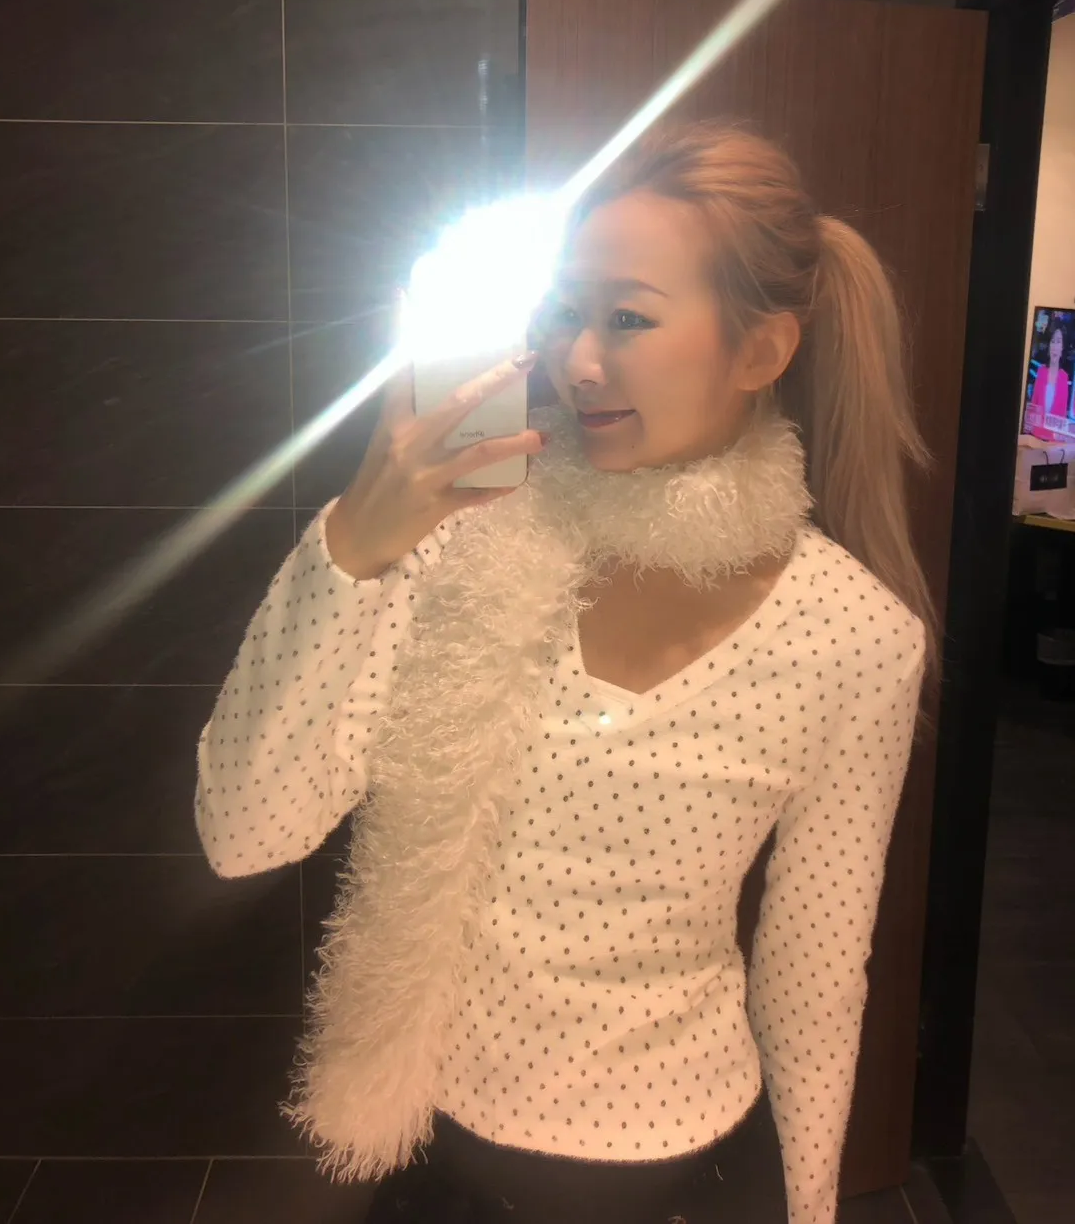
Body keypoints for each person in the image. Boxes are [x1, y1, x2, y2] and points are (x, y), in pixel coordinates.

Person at [194, 121, 931, 1224]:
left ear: (761, 351)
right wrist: (352, 548)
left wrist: (811, 1208)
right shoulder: (460, 538)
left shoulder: (855, 636)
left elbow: (815, 971)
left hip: (693, 1171)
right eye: (563, 313)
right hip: (435, 1157)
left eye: (626, 318)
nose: (576, 361)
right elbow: (242, 830)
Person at [1028, 325, 1070, 437]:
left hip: (1053, 438)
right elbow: (1034, 403)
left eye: (1058, 342)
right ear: (1049, 346)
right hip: (1036, 434)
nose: (1055, 346)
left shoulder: (1064, 377)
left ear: (1062, 348)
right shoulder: (1041, 371)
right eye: (1053, 341)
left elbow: (1062, 413)